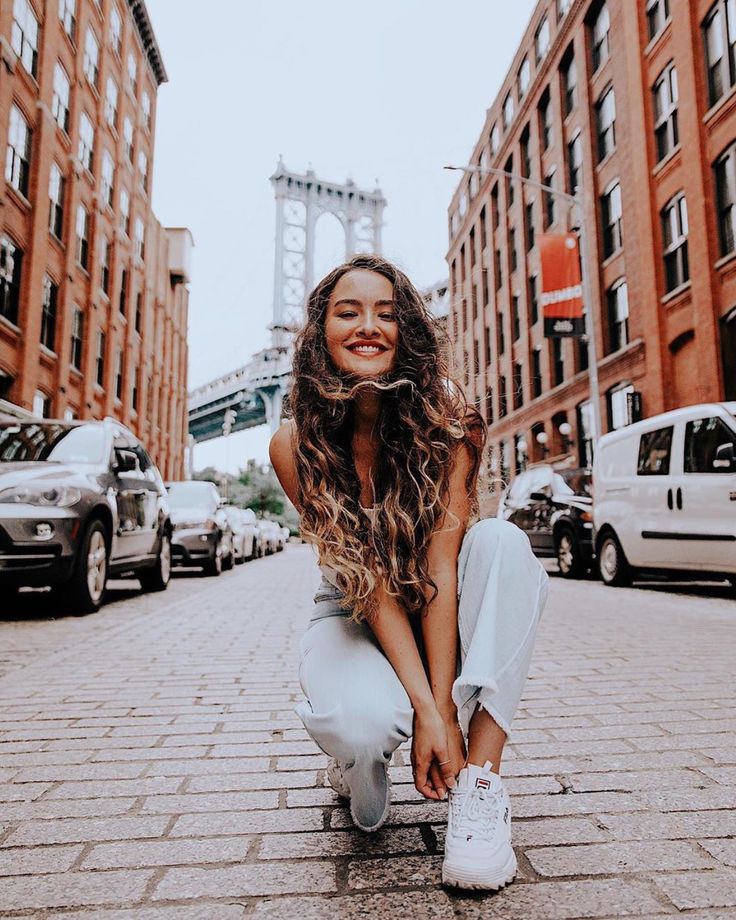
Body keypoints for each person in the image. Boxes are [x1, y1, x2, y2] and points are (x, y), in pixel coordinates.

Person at [269, 254, 549, 891]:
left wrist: (446, 717)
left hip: (432, 600)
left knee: (502, 544)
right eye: (349, 313)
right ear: (321, 334)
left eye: (387, 314)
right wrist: (424, 708)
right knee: (363, 734)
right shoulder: (295, 443)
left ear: (408, 334)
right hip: (352, 606)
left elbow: (441, 568)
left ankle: (481, 788)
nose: (368, 326)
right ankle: (354, 759)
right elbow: (365, 581)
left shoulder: (449, 424)